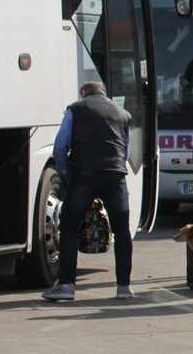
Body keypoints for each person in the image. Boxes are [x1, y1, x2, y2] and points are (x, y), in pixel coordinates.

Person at [42, 82, 134, 302]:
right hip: (115, 176)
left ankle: (66, 285)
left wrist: (66, 173)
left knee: (69, 226)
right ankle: (123, 288)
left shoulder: (76, 108)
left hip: (84, 174)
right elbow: (125, 150)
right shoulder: (123, 114)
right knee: (122, 231)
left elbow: (60, 147)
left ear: (83, 93)